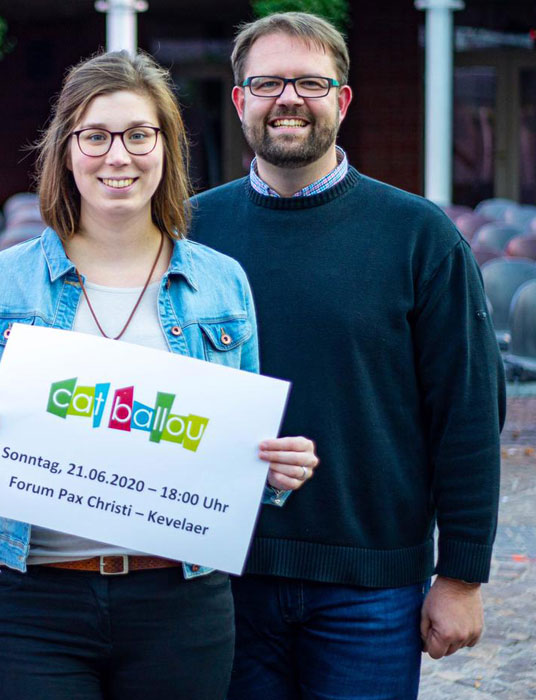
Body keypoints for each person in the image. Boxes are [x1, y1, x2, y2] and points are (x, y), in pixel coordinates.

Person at [0, 50, 318, 700]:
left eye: (140, 134)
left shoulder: (220, 283)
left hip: (180, 601)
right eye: (96, 136)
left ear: (167, 148)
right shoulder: (5, 280)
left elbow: (236, 462)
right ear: (66, 150)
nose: (119, 155)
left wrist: (276, 471)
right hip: (32, 601)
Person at [188, 12, 505, 699]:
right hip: (222, 578)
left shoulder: (418, 236)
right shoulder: (191, 232)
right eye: (268, 84)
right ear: (240, 100)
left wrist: (460, 577)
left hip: (372, 587)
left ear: (343, 99)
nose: (289, 100)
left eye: (310, 82)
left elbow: (469, 411)